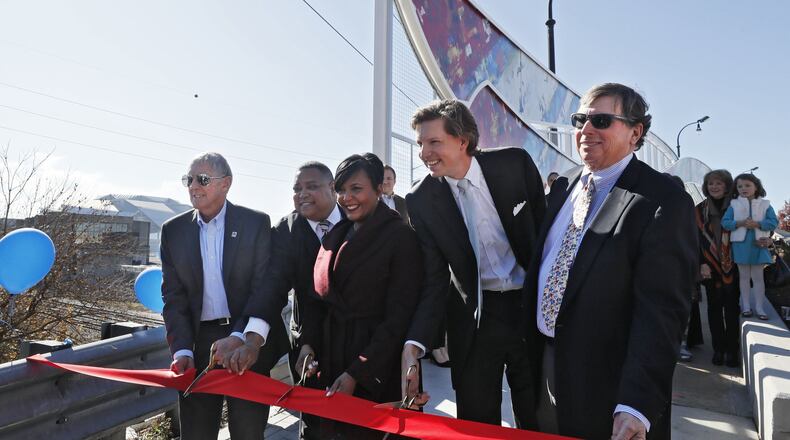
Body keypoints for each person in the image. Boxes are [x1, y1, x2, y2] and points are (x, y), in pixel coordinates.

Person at [526, 83, 697, 439]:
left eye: (601, 120)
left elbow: (662, 312)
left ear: (636, 133)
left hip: (611, 386)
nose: (586, 130)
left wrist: (636, 403)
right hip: (545, 368)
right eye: (580, 120)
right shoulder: (564, 187)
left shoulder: (663, 200)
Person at [401, 99, 546, 429]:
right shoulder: (420, 200)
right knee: (476, 424)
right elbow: (434, 277)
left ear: (462, 140)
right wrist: (416, 343)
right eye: (421, 143)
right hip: (475, 319)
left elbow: (547, 237)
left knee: (537, 416)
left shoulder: (515, 165)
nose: (424, 153)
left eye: (434, 142)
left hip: (529, 310)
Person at [161, 152, 286, 440]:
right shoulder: (174, 231)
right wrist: (182, 351)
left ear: (226, 183)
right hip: (200, 343)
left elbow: (263, 288)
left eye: (202, 179)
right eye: (188, 180)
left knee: (247, 433)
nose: (193, 186)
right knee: (196, 434)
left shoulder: (255, 224)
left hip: (245, 341)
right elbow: (174, 298)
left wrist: (242, 336)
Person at [301, 153, 423, 439]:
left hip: (376, 365)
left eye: (356, 189)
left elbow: (399, 316)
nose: (346, 198)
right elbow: (317, 301)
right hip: (331, 361)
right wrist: (308, 345)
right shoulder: (337, 235)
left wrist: (357, 372)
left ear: (379, 188)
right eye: (341, 190)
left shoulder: (400, 237)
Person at [222, 161, 343, 439]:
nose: (302, 194)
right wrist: (252, 340)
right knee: (314, 424)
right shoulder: (287, 230)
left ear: (333, 188)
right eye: (296, 188)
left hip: (357, 338)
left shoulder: (356, 219)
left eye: (311, 186)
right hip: (308, 346)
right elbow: (272, 287)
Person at [696, 170, 740, 367]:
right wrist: (701, 263)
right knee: (714, 309)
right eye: (711, 183)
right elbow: (694, 239)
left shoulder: (738, 208)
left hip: (735, 265)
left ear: (727, 186)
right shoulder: (699, 210)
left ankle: (732, 350)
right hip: (709, 266)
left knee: (731, 310)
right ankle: (719, 349)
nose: (714, 187)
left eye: (719, 183)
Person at [722, 173, 778, 321]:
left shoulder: (765, 204)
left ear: (756, 187)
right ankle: (746, 306)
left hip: (759, 244)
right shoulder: (734, 204)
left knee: (758, 277)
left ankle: (759, 307)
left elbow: (773, 222)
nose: (743, 188)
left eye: (747, 185)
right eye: (740, 186)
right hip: (741, 245)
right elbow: (725, 223)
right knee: (744, 277)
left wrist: (758, 224)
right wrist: (739, 223)